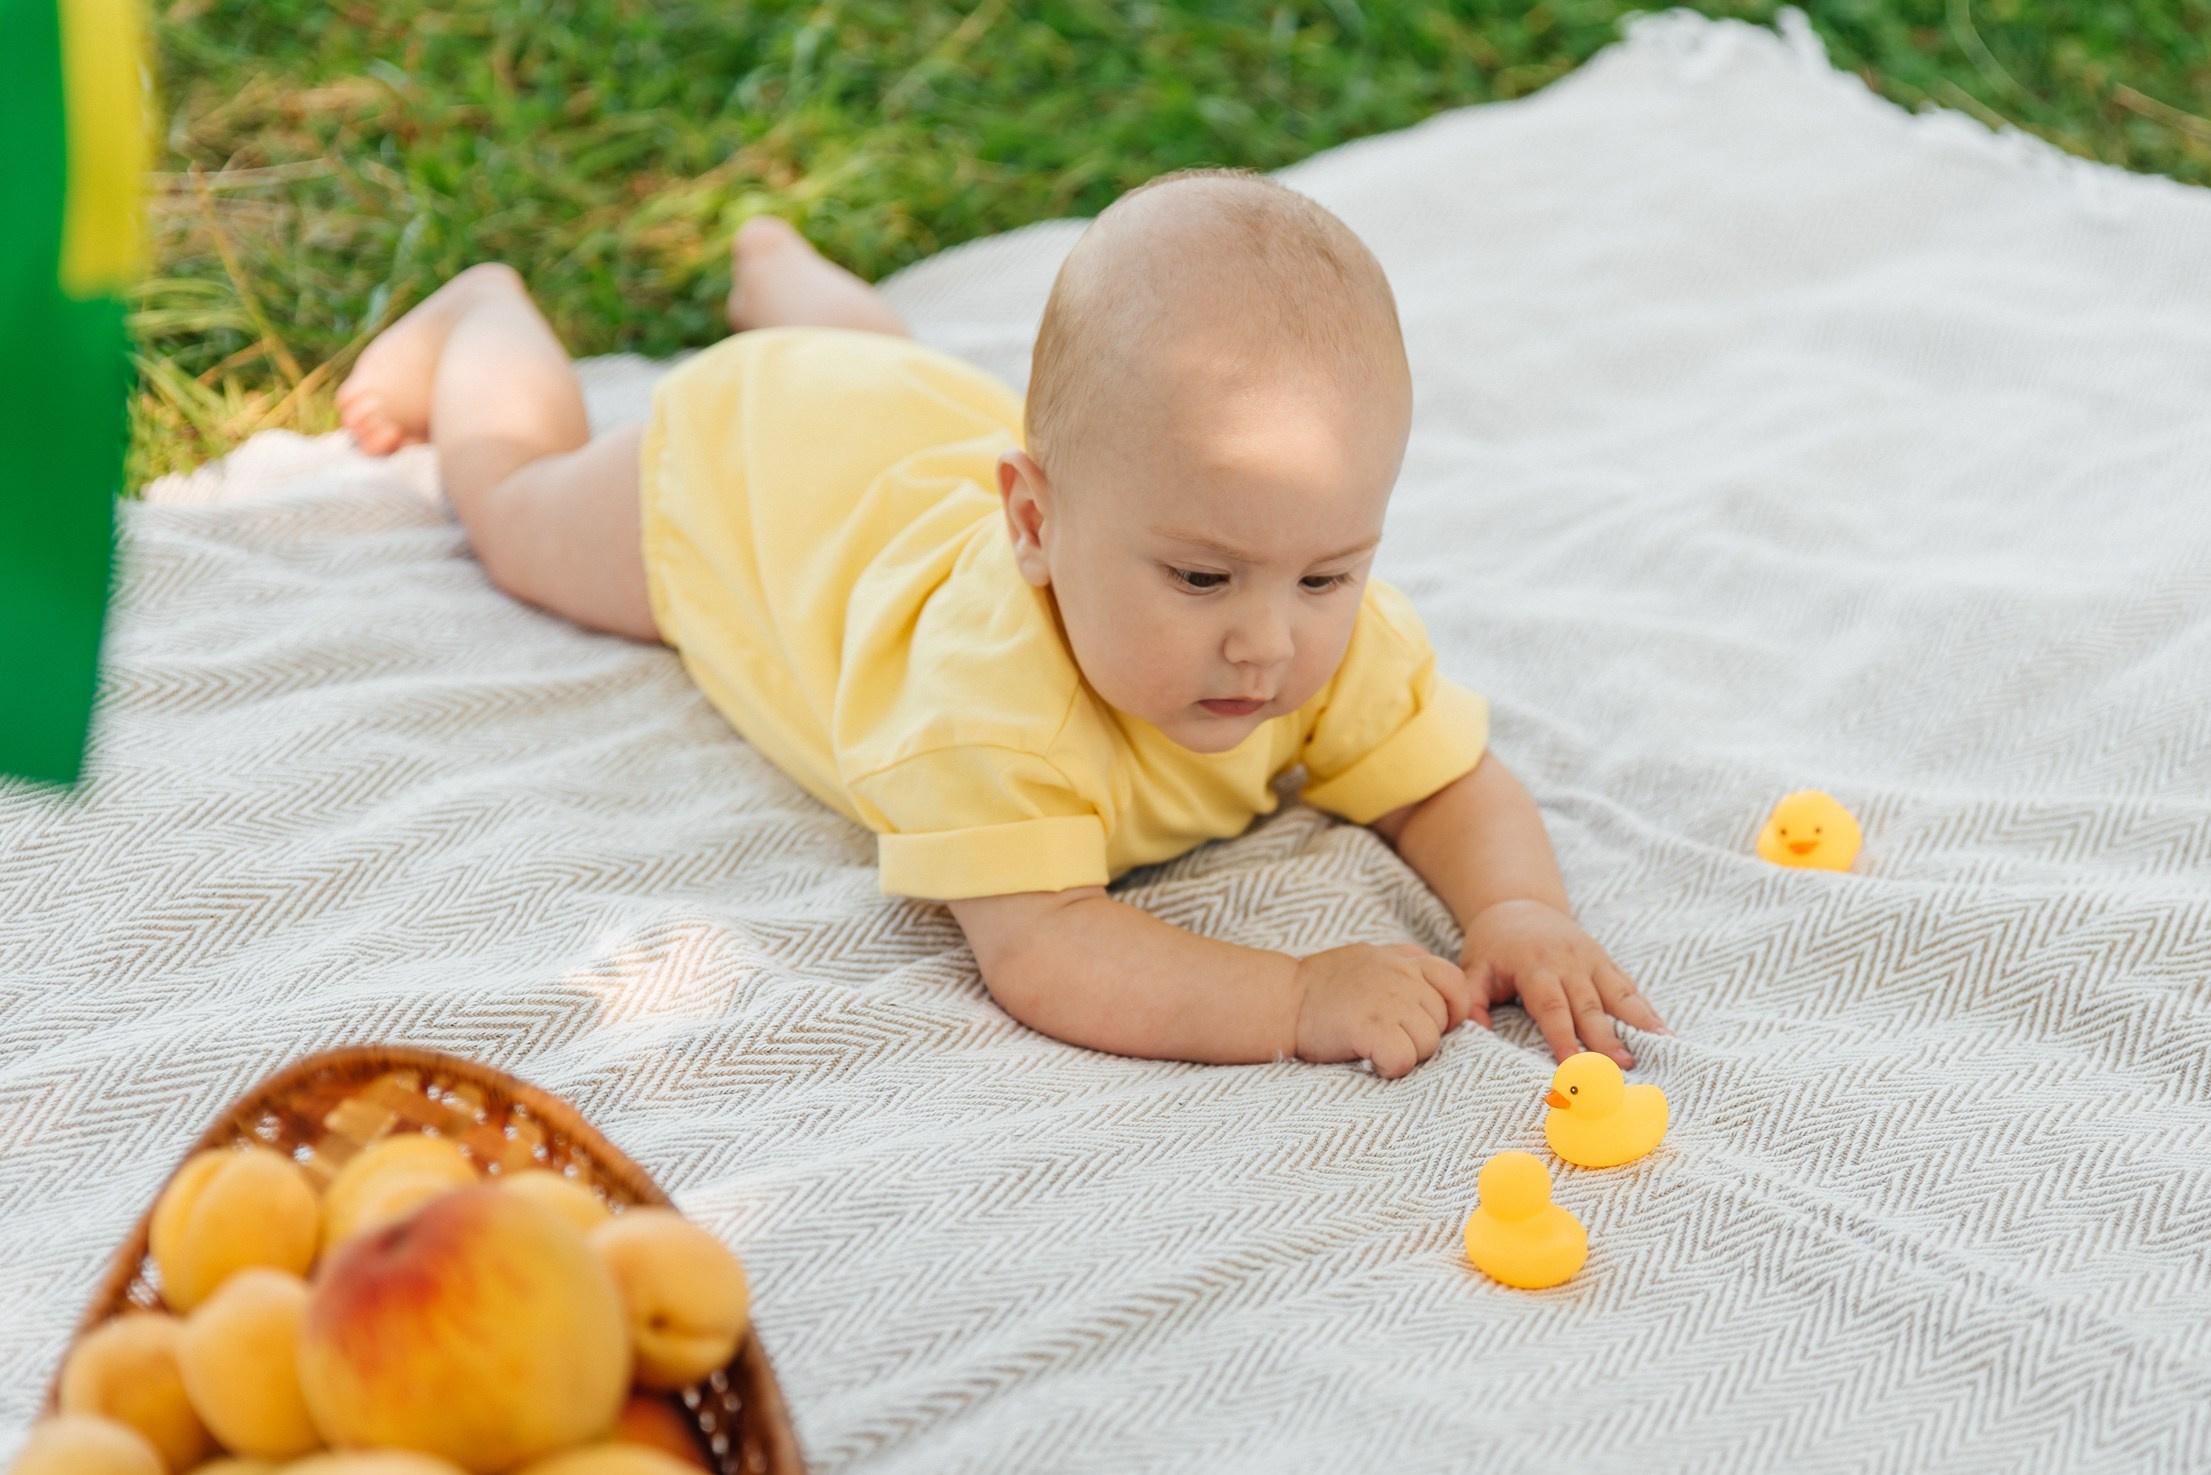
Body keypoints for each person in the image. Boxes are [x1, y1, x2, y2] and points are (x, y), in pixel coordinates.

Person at [336, 169, 1662, 1077]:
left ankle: (779, 264)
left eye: (1326, 574)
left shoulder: (1311, 618)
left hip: (900, 413)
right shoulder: (985, 702)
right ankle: (485, 318)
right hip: (758, 473)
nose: (1270, 641)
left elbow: (1449, 782)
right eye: (1202, 580)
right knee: (515, 520)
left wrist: (1521, 909)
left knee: (894, 371)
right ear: (1032, 527)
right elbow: (1047, 948)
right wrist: (1293, 996)